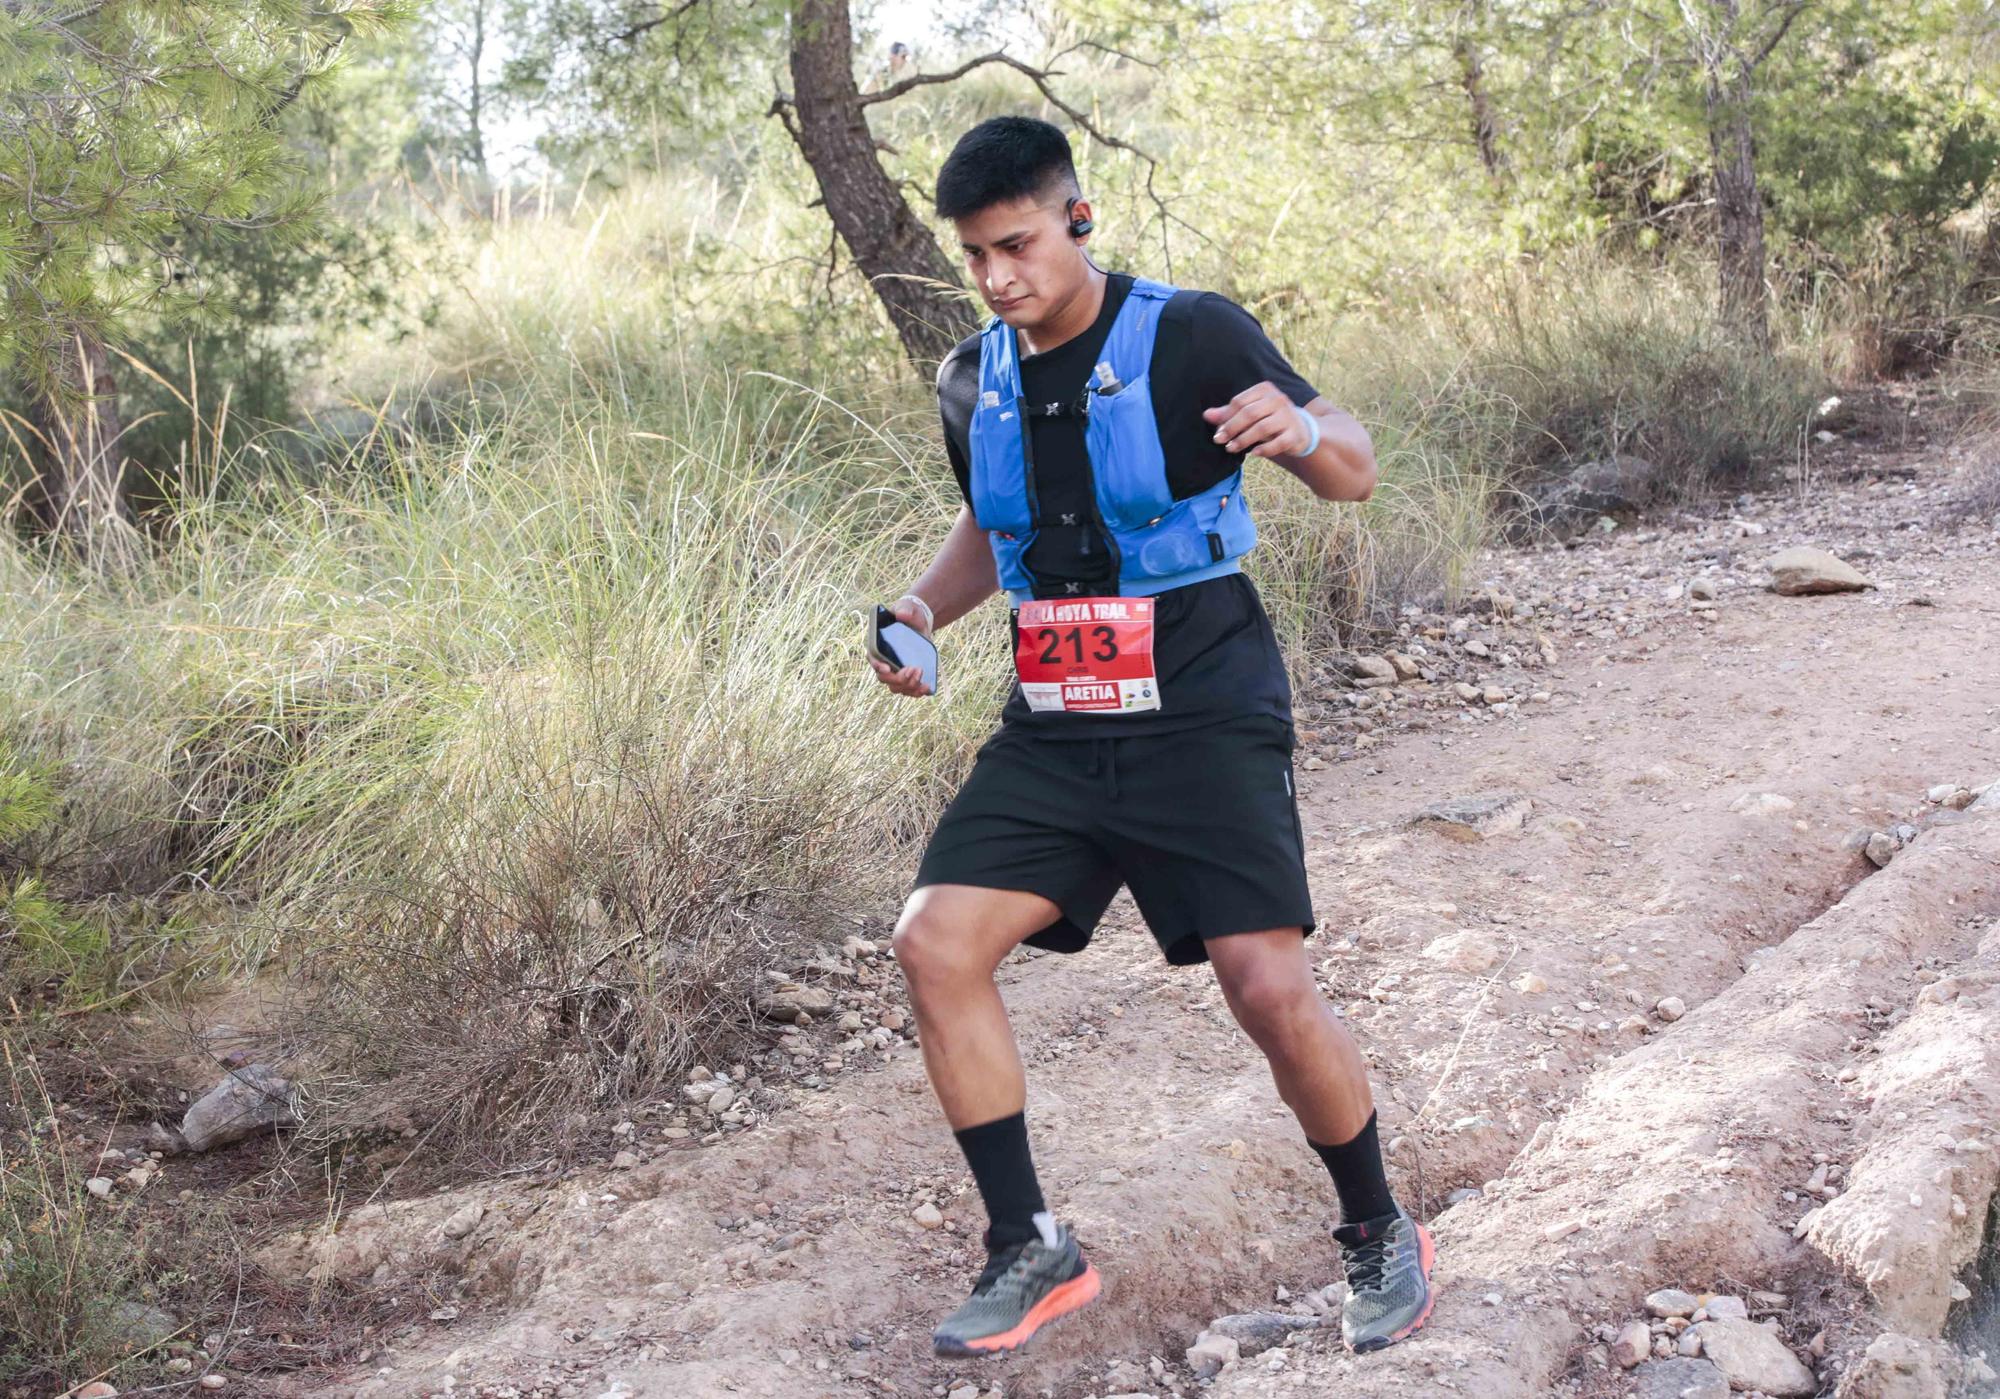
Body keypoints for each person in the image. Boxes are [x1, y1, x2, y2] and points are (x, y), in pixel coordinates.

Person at [869, 115, 1436, 1360]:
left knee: (1265, 986)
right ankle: (1028, 1244)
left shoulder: (1189, 334)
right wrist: (919, 607)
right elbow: (987, 525)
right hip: (1056, 719)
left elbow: (1352, 461)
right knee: (933, 942)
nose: (997, 276)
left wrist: (1301, 436)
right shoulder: (972, 377)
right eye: (974, 256)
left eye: (1015, 243)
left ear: (1076, 217)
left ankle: (1379, 1227)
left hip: (1202, 698)